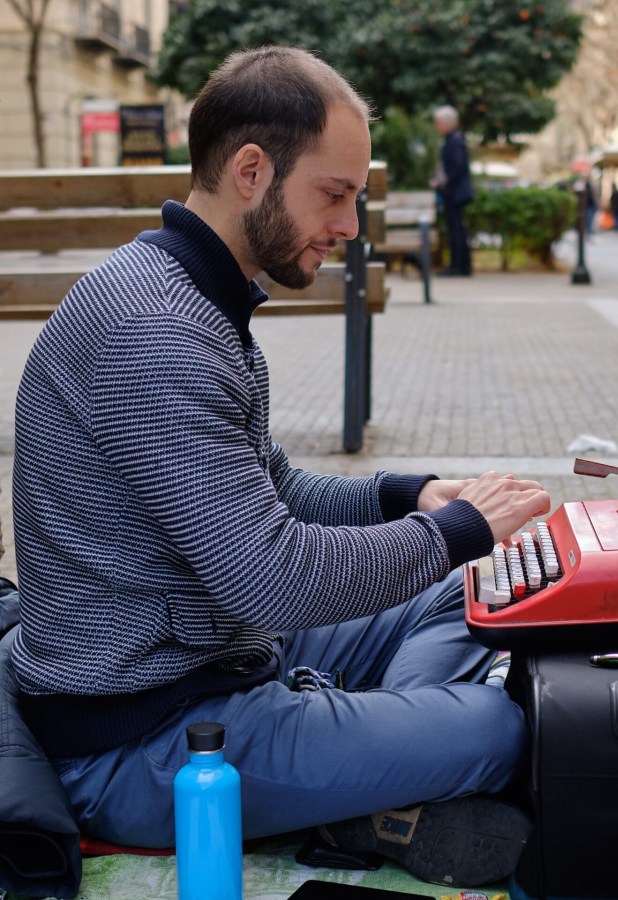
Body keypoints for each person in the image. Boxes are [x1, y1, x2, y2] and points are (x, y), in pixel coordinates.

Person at [8, 47, 550, 888]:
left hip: (218, 658)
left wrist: (407, 498)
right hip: (148, 742)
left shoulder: (185, 293)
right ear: (252, 171)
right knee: (495, 729)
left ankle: (369, 753)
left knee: (469, 584)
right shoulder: (157, 334)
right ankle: (376, 770)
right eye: (333, 196)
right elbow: (273, 579)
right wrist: (451, 529)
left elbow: (276, 492)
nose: (349, 227)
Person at [431, 105, 474, 277]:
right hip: (454, 192)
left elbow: (457, 167)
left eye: (438, 123)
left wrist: (444, 185)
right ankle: (462, 266)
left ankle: (458, 266)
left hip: (455, 193)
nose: (437, 126)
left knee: (457, 231)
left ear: (447, 123)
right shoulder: (454, 138)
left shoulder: (455, 140)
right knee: (458, 230)